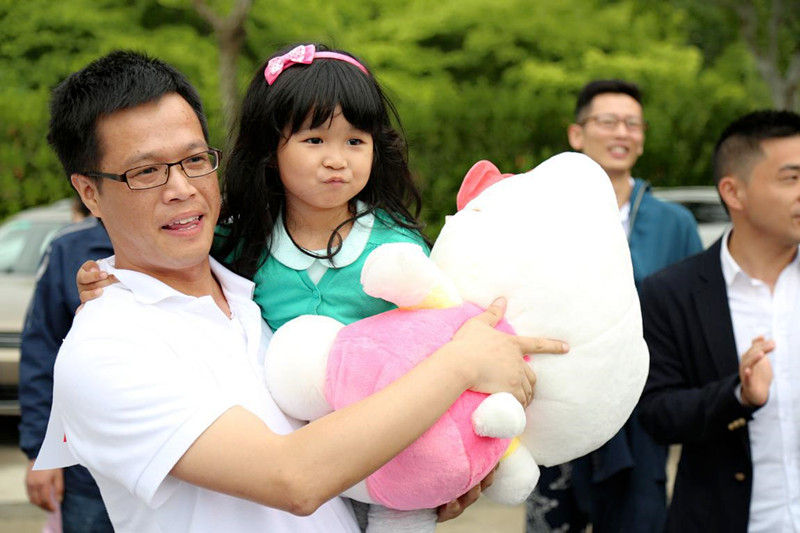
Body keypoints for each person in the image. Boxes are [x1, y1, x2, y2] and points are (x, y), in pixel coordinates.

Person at [35, 50, 565, 533]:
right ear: (89, 192)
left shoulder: (244, 288)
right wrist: (461, 365)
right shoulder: (107, 348)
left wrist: (421, 474)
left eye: (195, 160)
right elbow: (293, 479)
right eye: (146, 171)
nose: (182, 188)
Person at [526, 79, 703, 532]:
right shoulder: (539, 215)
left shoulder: (673, 223)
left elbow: (691, 316)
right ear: (577, 133)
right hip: (554, 404)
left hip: (639, 412)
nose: (622, 132)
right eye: (607, 121)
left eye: (632, 123)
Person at [638, 110, 800, 532]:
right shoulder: (671, 292)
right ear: (734, 191)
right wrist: (738, 395)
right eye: (791, 177)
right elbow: (656, 414)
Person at [215, 42, 429, 332]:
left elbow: (433, 332)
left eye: (355, 141)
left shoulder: (399, 250)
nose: (336, 161)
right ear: (269, 150)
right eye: (315, 140)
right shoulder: (236, 243)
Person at [19, 199, 113, 532]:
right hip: (89, 474)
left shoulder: (203, 240)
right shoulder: (69, 247)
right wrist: (40, 453)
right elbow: (41, 352)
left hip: (179, 471)